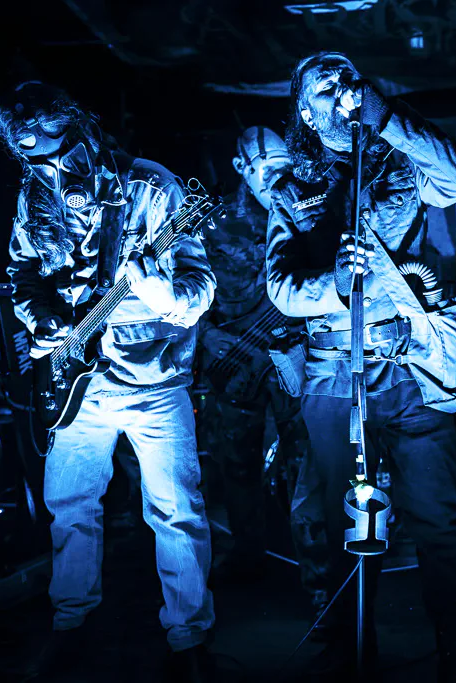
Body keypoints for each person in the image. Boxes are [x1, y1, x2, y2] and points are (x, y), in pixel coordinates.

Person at [266, 51, 456, 682]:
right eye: (323, 85)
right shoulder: (290, 186)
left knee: (439, 515)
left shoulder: (401, 157)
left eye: (346, 76)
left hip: (411, 365)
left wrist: (386, 118)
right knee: (343, 518)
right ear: (306, 111)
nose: (340, 87)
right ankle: (349, 648)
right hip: (335, 370)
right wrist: (332, 287)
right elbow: (280, 287)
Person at [0, 81, 217, 682]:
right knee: (70, 510)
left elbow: (199, 290)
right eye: (37, 163)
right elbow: (22, 272)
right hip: (76, 388)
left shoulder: (152, 188)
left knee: (176, 513)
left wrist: (156, 289)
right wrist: (42, 321)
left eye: (63, 154)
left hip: (155, 381)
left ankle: (190, 640)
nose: (55, 173)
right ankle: (71, 626)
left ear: (86, 133)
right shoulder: (34, 196)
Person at [197, 126, 316, 587]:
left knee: (305, 464)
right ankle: (249, 559)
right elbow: (184, 285)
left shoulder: (308, 210)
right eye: (266, 168)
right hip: (233, 364)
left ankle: (317, 574)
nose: (276, 177)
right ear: (241, 168)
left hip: (296, 358)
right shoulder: (214, 222)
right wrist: (205, 335)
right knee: (237, 465)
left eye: (284, 166)